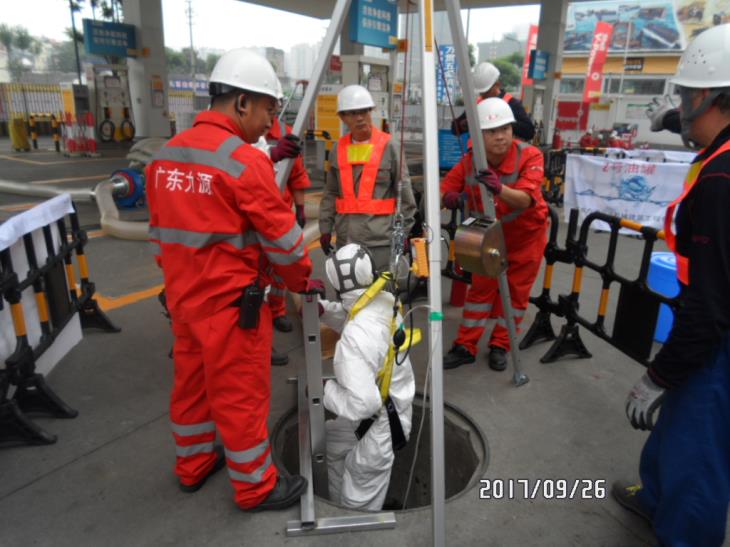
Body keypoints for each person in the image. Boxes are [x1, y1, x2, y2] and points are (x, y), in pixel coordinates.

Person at [146, 48, 323, 512]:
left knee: (192, 386)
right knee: (240, 395)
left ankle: (195, 462)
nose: (271, 122)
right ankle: (256, 486)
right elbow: (285, 244)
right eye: (268, 108)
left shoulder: (163, 159)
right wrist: (304, 283)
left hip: (184, 304)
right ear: (242, 102)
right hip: (232, 309)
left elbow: (160, 239)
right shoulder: (245, 163)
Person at [614, 24, 730, 547]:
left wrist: (659, 375)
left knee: (698, 455)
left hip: (716, 341)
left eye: (684, 95)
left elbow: (711, 309)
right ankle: (655, 499)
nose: (679, 104)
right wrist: (681, 126)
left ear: (706, 95)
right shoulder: (717, 159)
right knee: (672, 435)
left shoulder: (719, 185)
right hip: (704, 322)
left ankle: (683, 534)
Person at [441, 97, 548, 371]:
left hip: (526, 237)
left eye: (505, 129)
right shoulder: (470, 161)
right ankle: (466, 346)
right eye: (492, 131)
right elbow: (444, 189)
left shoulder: (530, 156)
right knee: (480, 291)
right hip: (490, 237)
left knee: (515, 294)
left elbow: (524, 200)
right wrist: (449, 197)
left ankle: (501, 344)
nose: (500, 137)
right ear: (479, 135)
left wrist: (498, 189)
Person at [318, 243, 415, 510]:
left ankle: (356, 529)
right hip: (385, 408)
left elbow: (364, 404)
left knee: (358, 493)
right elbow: (354, 316)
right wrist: (322, 309)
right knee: (334, 446)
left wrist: (324, 392)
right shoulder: (383, 301)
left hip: (382, 422)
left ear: (337, 286)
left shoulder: (354, 339)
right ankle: (337, 510)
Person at [318, 85, 417, 272]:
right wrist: (325, 228)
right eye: (353, 113)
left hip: (380, 241)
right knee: (349, 297)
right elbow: (330, 193)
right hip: (345, 240)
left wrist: (403, 234)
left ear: (371, 111)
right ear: (342, 117)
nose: (360, 117)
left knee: (382, 296)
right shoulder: (337, 149)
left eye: (364, 111)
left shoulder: (390, 146)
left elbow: (405, 195)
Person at [255, 114, 312, 334]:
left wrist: (300, 208)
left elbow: (296, 175)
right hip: (253, 217)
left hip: (279, 213)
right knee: (256, 272)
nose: (268, 116)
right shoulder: (242, 135)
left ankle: (277, 311)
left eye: (273, 107)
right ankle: (261, 321)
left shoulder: (287, 135)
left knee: (278, 267)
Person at [451, 61, 535, 142]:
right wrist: (463, 125)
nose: (483, 95)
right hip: (479, 154)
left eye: (487, 91)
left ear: (497, 84)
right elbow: (455, 129)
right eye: (481, 92)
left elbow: (529, 132)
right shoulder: (478, 105)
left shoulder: (512, 103)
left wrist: (504, 122)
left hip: (504, 154)